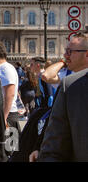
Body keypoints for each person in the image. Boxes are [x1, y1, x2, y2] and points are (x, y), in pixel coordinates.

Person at [38, 33, 88, 161]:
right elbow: (46, 76)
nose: (66, 55)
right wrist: (63, 62)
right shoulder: (69, 82)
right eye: (66, 51)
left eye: (70, 51)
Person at [0, 42, 21, 137]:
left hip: (8, 115)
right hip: (5, 114)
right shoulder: (2, 68)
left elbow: (9, 94)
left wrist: (3, 118)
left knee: (11, 148)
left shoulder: (5, 69)